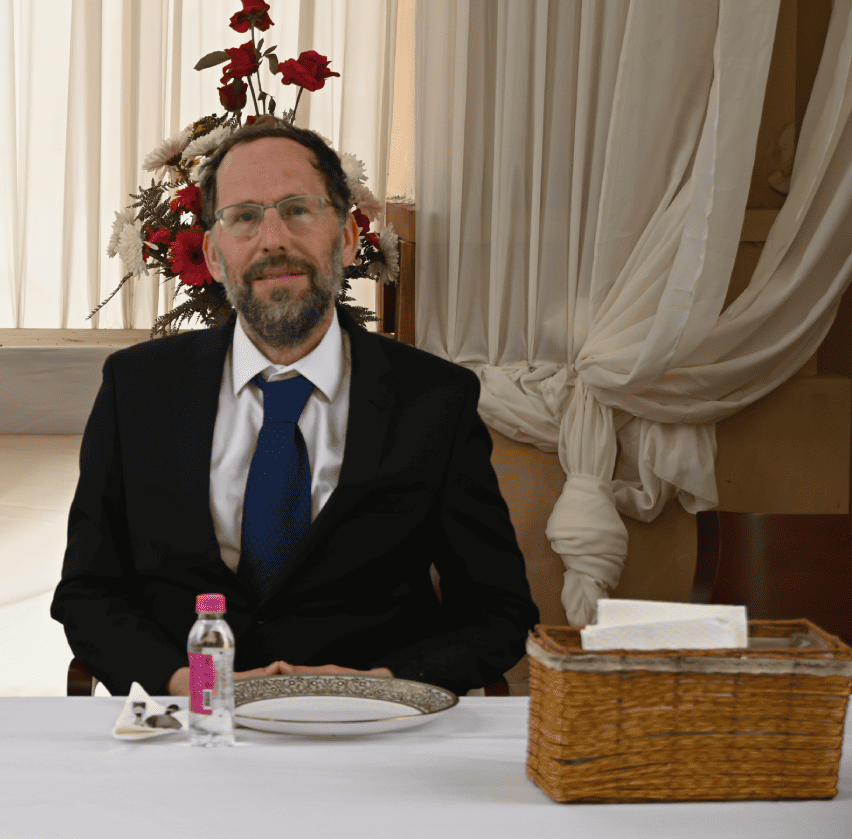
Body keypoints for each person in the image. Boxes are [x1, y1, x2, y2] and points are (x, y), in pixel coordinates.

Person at [51, 120, 538, 698]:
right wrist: (199, 685)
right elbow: (89, 592)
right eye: (244, 217)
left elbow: (497, 610)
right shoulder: (137, 388)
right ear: (213, 254)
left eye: (298, 210)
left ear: (348, 237)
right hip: (195, 726)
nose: (273, 239)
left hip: (371, 730)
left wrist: (378, 688)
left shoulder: (435, 400)